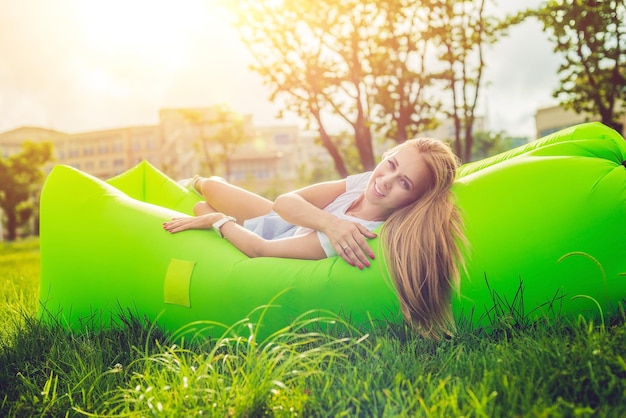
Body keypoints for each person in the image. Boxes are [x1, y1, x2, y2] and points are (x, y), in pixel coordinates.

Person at [163, 138, 466, 339]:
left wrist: (219, 220)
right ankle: (195, 183)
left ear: (415, 200)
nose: (385, 181)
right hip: (281, 220)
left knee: (203, 209)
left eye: (404, 183)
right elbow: (283, 202)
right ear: (386, 157)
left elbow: (261, 250)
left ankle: (205, 205)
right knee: (211, 187)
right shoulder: (365, 182)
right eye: (391, 164)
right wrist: (328, 222)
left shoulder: (357, 235)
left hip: (267, 239)